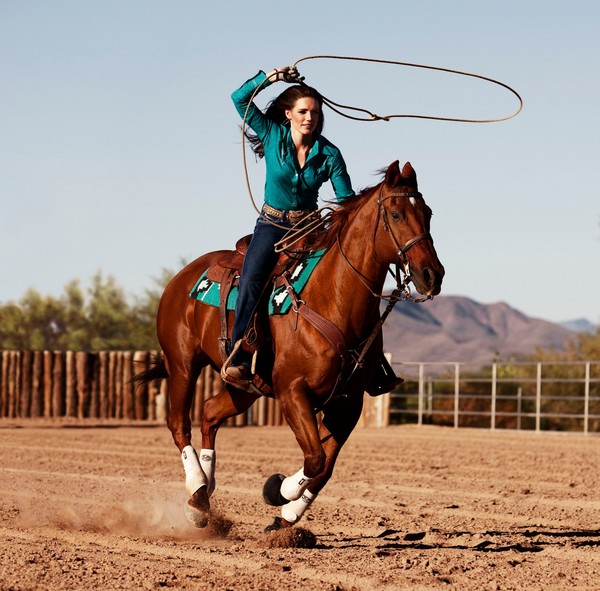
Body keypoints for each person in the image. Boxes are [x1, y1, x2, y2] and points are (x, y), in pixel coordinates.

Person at [224, 66, 402, 395]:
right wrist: (273, 78)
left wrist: (352, 220)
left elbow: (346, 200)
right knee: (251, 277)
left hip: (311, 227)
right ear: (288, 114)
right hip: (272, 226)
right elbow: (239, 98)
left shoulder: (330, 154)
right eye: (303, 112)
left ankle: (373, 361)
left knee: (354, 279)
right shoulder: (271, 133)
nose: (310, 118)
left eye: (315, 113)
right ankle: (239, 352)